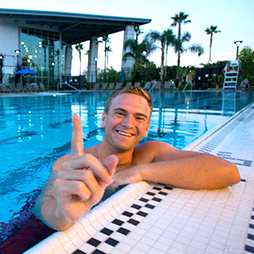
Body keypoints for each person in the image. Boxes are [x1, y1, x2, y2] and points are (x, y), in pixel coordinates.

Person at [34, 86, 240, 231]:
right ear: (104, 119)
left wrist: (138, 172)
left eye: (139, 118)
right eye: (120, 113)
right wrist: (63, 215)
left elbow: (228, 172)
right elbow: (43, 202)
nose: (128, 123)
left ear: (147, 128)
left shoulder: (150, 154)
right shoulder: (70, 163)